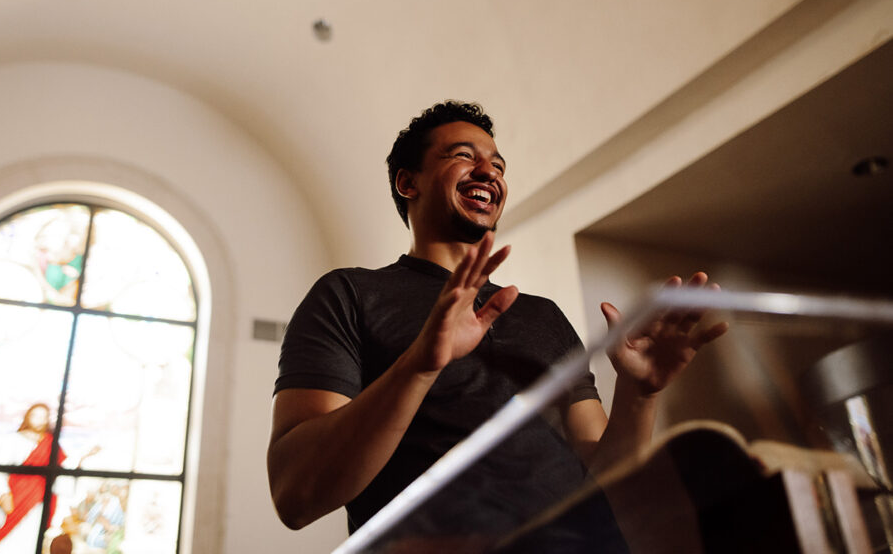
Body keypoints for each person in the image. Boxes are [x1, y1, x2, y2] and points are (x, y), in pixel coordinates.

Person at [267, 101, 727, 543]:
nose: (488, 171)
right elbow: (296, 495)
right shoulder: (348, 295)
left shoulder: (542, 315)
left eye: (498, 164)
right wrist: (420, 364)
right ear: (408, 183)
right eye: (463, 156)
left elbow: (604, 482)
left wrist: (638, 393)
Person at [0, 403, 66, 550]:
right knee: (6, 543)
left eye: (43, 417)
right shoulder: (13, 440)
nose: (39, 420)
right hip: (15, 499)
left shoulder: (51, 445)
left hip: (38, 504)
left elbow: (61, 474)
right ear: (28, 417)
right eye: (35, 415)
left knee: (30, 542)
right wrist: (3, 494)